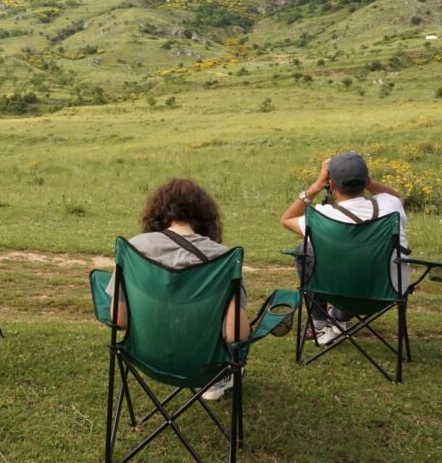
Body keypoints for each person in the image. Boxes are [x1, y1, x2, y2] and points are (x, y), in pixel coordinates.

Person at [106, 178, 250, 400]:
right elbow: (235, 334)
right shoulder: (224, 260)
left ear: (157, 212)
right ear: (205, 216)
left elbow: (119, 320)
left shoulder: (133, 249)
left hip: (148, 360)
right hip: (204, 367)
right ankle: (219, 381)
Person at [279, 151, 409, 347]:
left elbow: (286, 220)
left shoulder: (322, 216)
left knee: (304, 250)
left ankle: (320, 322)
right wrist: (367, 182)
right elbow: (397, 197)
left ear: (331, 185)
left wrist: (316, 186)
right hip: (388, 294)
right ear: (366, 182)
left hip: (340, 295)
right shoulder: (391, 205)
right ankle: (338, 317)